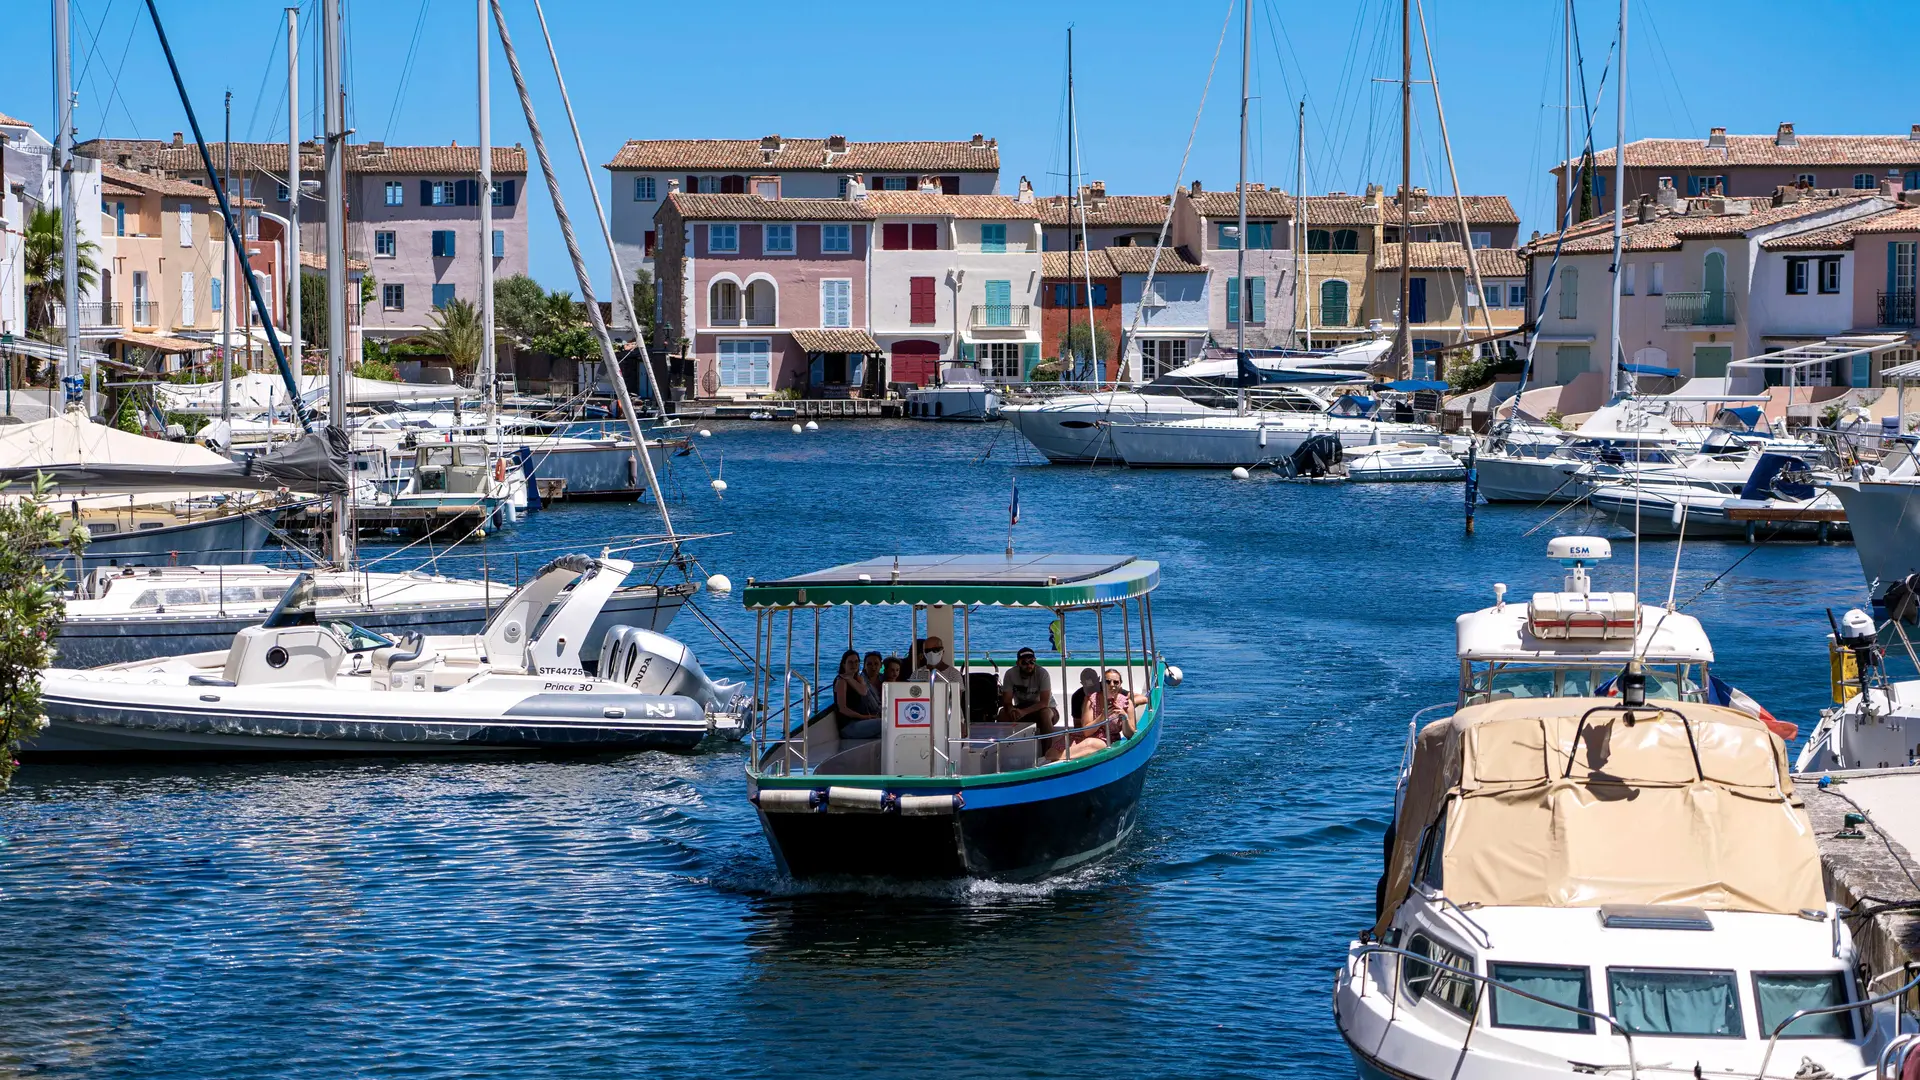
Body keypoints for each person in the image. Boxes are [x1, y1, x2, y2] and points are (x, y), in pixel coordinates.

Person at [1070, 668, 1145, 759]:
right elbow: (1080, 728)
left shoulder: (1122, 697)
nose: (1112, 685)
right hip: (1088, 737)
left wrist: (1125, 709)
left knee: (1090, 745)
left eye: (1115, 682)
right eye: (1108, 682)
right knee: (1053, 751)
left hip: (1104, 741)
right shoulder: (1083, 698)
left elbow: (1143, 698)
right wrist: (1102, 717)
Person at [998, 646, 1057, 750]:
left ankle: (1048, 752)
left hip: (1046, 709)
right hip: (1021, 709)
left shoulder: (1042, 674)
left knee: (1045, 713)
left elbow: (1044, 702)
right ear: (1017, 663)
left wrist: (1023, 712)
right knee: (1003, 713)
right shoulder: (1010, 674)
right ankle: (1002, 751)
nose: (1029, 665)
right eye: (1024, 663)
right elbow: (1007, 700)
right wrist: (1011, 709)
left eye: (1032, 661)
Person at [833, 649, 880, 739]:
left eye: (856, 662)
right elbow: (843, 709)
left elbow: (863, 691)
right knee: (885, 723)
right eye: (850, 662)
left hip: (860, 722)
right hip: (848, 726)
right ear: (844, 664)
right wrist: (864, 717)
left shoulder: (857, 678)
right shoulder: (841, 681)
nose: (854, 665)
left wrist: (850, 678)